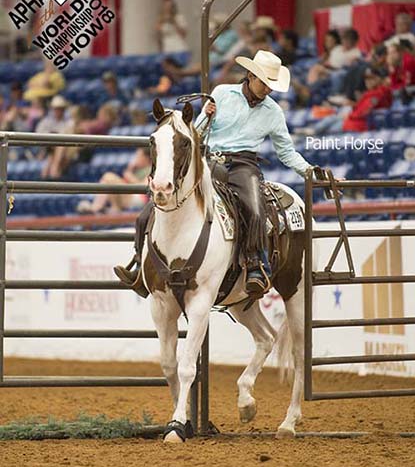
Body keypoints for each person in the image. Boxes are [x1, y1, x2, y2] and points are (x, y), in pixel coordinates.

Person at [114, 50, 313, 298]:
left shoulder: (273, 112)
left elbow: (286, 152)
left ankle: (255, 264)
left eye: (271, 86)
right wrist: (205, 118)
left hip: (244, 164)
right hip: (208, 161)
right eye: (265, 83)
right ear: (250, 76)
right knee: (151, 210)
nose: (268, 90)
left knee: (253, 205)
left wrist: (309, 172)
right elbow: (195, 135)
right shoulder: (221, 94)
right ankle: (140, 263)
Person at [299, 67, 392, 135]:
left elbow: (364, 111)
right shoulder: (373, 92)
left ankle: (309, 133)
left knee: (326, 131)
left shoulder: (378, 93)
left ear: (379, 79)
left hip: (359, 125)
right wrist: (353, 105)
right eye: (366, 79)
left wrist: (349, 116)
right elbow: (363, 108)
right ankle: (310, 132)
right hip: (354, 122)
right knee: (332, 118)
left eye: (371, 79)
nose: (368, 82)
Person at [77, 148, 151, 214]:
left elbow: (144, 187)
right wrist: (130, 170)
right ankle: (107, 208)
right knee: (108, 183)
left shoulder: (150, 169)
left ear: (146, 158)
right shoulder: (136, 169)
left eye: (138, 156)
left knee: (108, 177)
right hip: (129, 195)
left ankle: (97, 208)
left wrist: (129, 176)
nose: (136, 159)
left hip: (138, 198)